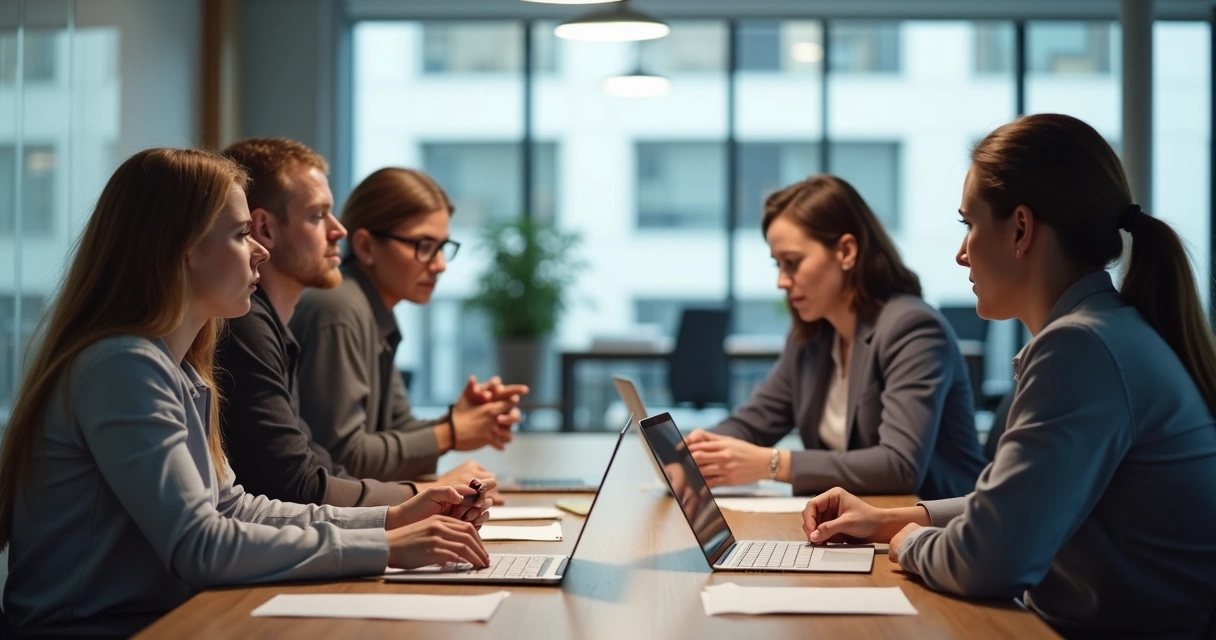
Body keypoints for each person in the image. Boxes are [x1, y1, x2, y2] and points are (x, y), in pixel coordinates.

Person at [0, 148, 493, 637]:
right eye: (239, 235)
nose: (260, 249)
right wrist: (387, 547)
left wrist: (390, 518)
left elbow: (236, 508)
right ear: (183, 249)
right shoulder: (122, 367)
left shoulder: (176, 368)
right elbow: (201, 545)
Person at [802, 114, 1216, 639]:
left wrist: (906, 541)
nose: (961, 252)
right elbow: (1010, 508)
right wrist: (890, 520)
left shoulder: (1082, 348)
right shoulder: (1106, 331)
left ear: (1020, 229)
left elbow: (990, 561)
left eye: (968, 225)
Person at [215, 138, 500, 506]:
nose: (339, 231)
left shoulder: (352, 314)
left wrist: (453, 425)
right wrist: (444, 446)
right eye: (424, 245)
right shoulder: (331, 310)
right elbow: (325, 467)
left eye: (443, 247)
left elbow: (326, 459)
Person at [686, 175, 986, 500]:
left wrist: (771, 464)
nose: (782, 282)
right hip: (861, 524)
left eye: (792, 262)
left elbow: (899, 465)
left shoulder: (912, 328)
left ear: (846, 251)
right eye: (778, 265)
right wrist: (698, 450)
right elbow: (753, 423)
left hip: (936, 529)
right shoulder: (812, 337)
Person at [291, 167, 526, 482]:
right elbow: (342, 460)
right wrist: (451, 433)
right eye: (424, 245)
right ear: (365, 247)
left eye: (443, 247)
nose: (440, 264)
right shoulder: (339, 309)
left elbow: (395, 430)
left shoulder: (374, 310)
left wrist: (457, 420)